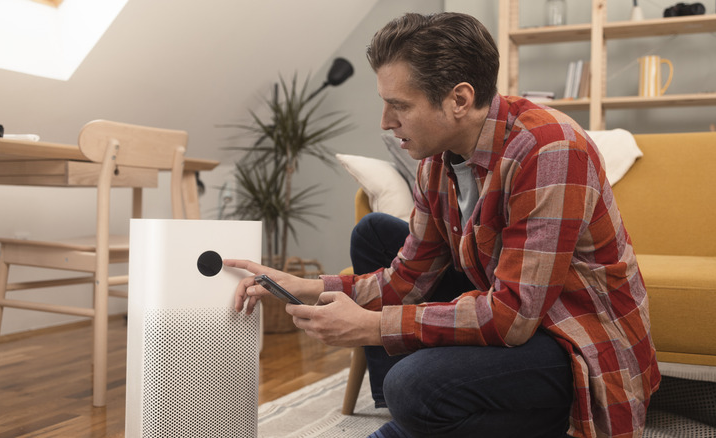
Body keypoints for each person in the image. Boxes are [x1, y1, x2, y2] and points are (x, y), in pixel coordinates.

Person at [225, 11, 660, 438]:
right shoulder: (435, 161)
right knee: (375, 234)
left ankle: (426, 407)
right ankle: (418, 413)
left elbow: (512, 317)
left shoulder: (550, 149)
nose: (385, 122)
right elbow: (406, 280)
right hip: (518, 314)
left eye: (399, 106)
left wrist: (373, 327)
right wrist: (305, 286)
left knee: (413, 385)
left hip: (575, 339)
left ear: (459, 100)